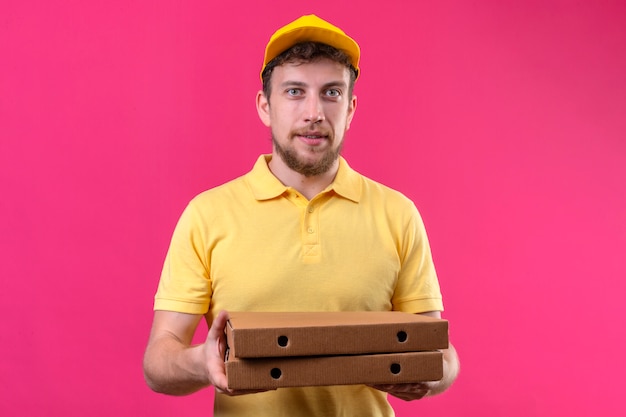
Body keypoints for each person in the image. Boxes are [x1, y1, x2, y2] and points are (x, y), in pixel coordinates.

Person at [143, 14, 459, 417]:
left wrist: (431, 374)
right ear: (265, 106)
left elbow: (442, 353)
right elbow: (158, 360)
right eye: (295, 92)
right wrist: (201, 362)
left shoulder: (398, 214)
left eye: (331, 93)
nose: (314, 112)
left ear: (350, 108)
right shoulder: (206, 215)